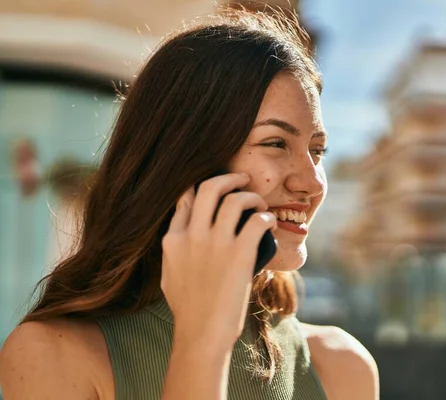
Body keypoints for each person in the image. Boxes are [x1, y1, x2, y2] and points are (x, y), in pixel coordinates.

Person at [0, 9, 379, 400]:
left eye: (317, 151)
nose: (313, 183)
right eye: (276, 143)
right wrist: (202, 340)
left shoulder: (342, 366)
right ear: (185, 160)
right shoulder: (53, 355)